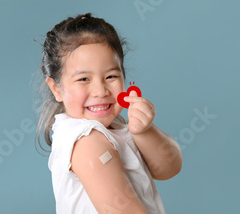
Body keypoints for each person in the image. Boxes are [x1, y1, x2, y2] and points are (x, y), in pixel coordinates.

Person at [35, 13, 182, 214]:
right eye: (84, 79)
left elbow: (169, 168)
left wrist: (144, 131)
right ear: (56, 89)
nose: (101, 91)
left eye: (111, 76)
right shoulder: (86, 139)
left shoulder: (116, 129)